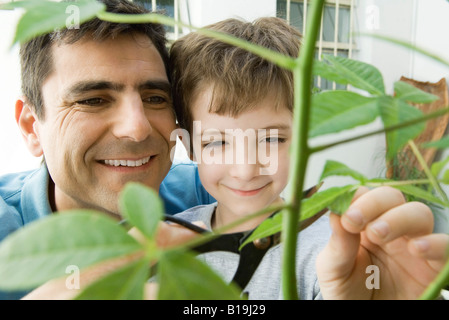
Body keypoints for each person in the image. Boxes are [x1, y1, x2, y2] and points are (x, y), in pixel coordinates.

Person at [169, 17, 449, 299]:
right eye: (217, 142)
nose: (245, 170)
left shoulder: (341, 251)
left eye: (272, 139)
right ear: (189, 146)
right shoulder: (163, 242)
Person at [0, 0, 214, 300]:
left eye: (154, 98)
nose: (137, 128)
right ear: (31, 126)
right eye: (92, 100)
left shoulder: (209, 190)